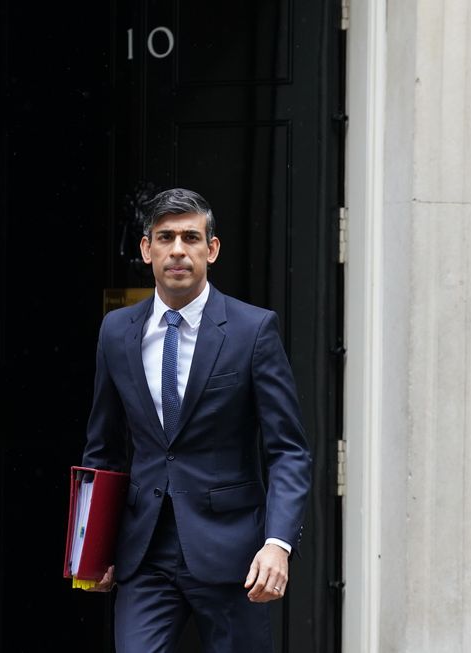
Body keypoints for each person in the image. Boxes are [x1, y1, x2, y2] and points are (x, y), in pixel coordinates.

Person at [81, 187, 312, 652]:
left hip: (234, 556)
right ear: (147, 250)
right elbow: (103, 447)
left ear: (212, 248)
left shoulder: (253, 330)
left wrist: (278, 544)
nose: (178, 250)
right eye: (166, 237)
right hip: (144, 553)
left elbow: (289, 450)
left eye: (191, 237)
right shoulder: (116, 332)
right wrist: (92, 550)